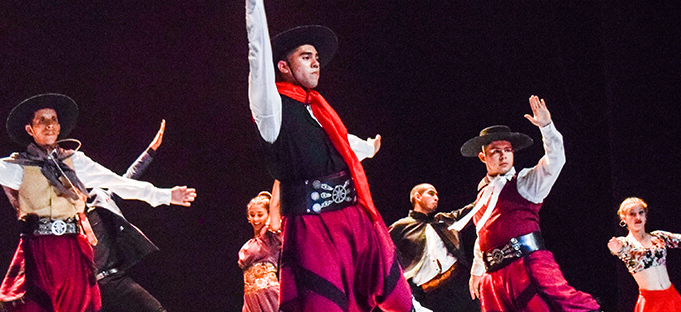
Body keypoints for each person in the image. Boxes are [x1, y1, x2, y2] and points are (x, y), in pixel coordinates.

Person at [0, 94, 196, 312]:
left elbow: (119, 183)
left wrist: (164, 195)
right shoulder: (19, 167)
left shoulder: (75, 161)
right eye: (41, 121)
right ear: (30, 129)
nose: (49, 125)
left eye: (53, 120)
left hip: (72, 250)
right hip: (37, 252)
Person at [245, 0, 413, 310]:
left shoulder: (320, 111)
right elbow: (258, 57)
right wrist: (254, 6)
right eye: (305, 57)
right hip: (313, 228)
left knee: (400, 300)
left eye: (317, 58)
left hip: (354, 218)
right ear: (283, 66)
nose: (315, 63)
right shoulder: (272, 111)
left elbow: (340, 142)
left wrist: (365, 148)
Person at [0, 120, 171, 312]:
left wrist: (150, 151)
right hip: (83, 283)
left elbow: (127, 178)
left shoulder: (100, 199)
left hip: (111, 279)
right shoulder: (59, 217)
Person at [449, 96, 601, 311]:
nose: (503, 156)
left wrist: (547, 127)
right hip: (494, 277)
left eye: (508, 151)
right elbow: (484, 232)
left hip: (526, 267)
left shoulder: (524, 182)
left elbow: (555, 161)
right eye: (496, 151)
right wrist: (477, 270)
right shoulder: (483, 191)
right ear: (483, 157)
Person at [389, 184, 480, 312]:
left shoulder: (442, 220)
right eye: (431, 193)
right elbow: (383, 251)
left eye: (437, 195)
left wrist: (491, 189)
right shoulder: (400, 227)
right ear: (418, 197)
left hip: (460, 282)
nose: (436, 197)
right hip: (432, 295)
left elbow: (473, 209)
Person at [239, 190, 282, 312]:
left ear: (268, 216)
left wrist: (278, 177)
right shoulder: (250, 243)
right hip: (250, 296)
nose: (255, 219)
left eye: (260, 214)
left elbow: (275, 205)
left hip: (267, 294)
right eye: (252, 215)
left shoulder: (270, 238)